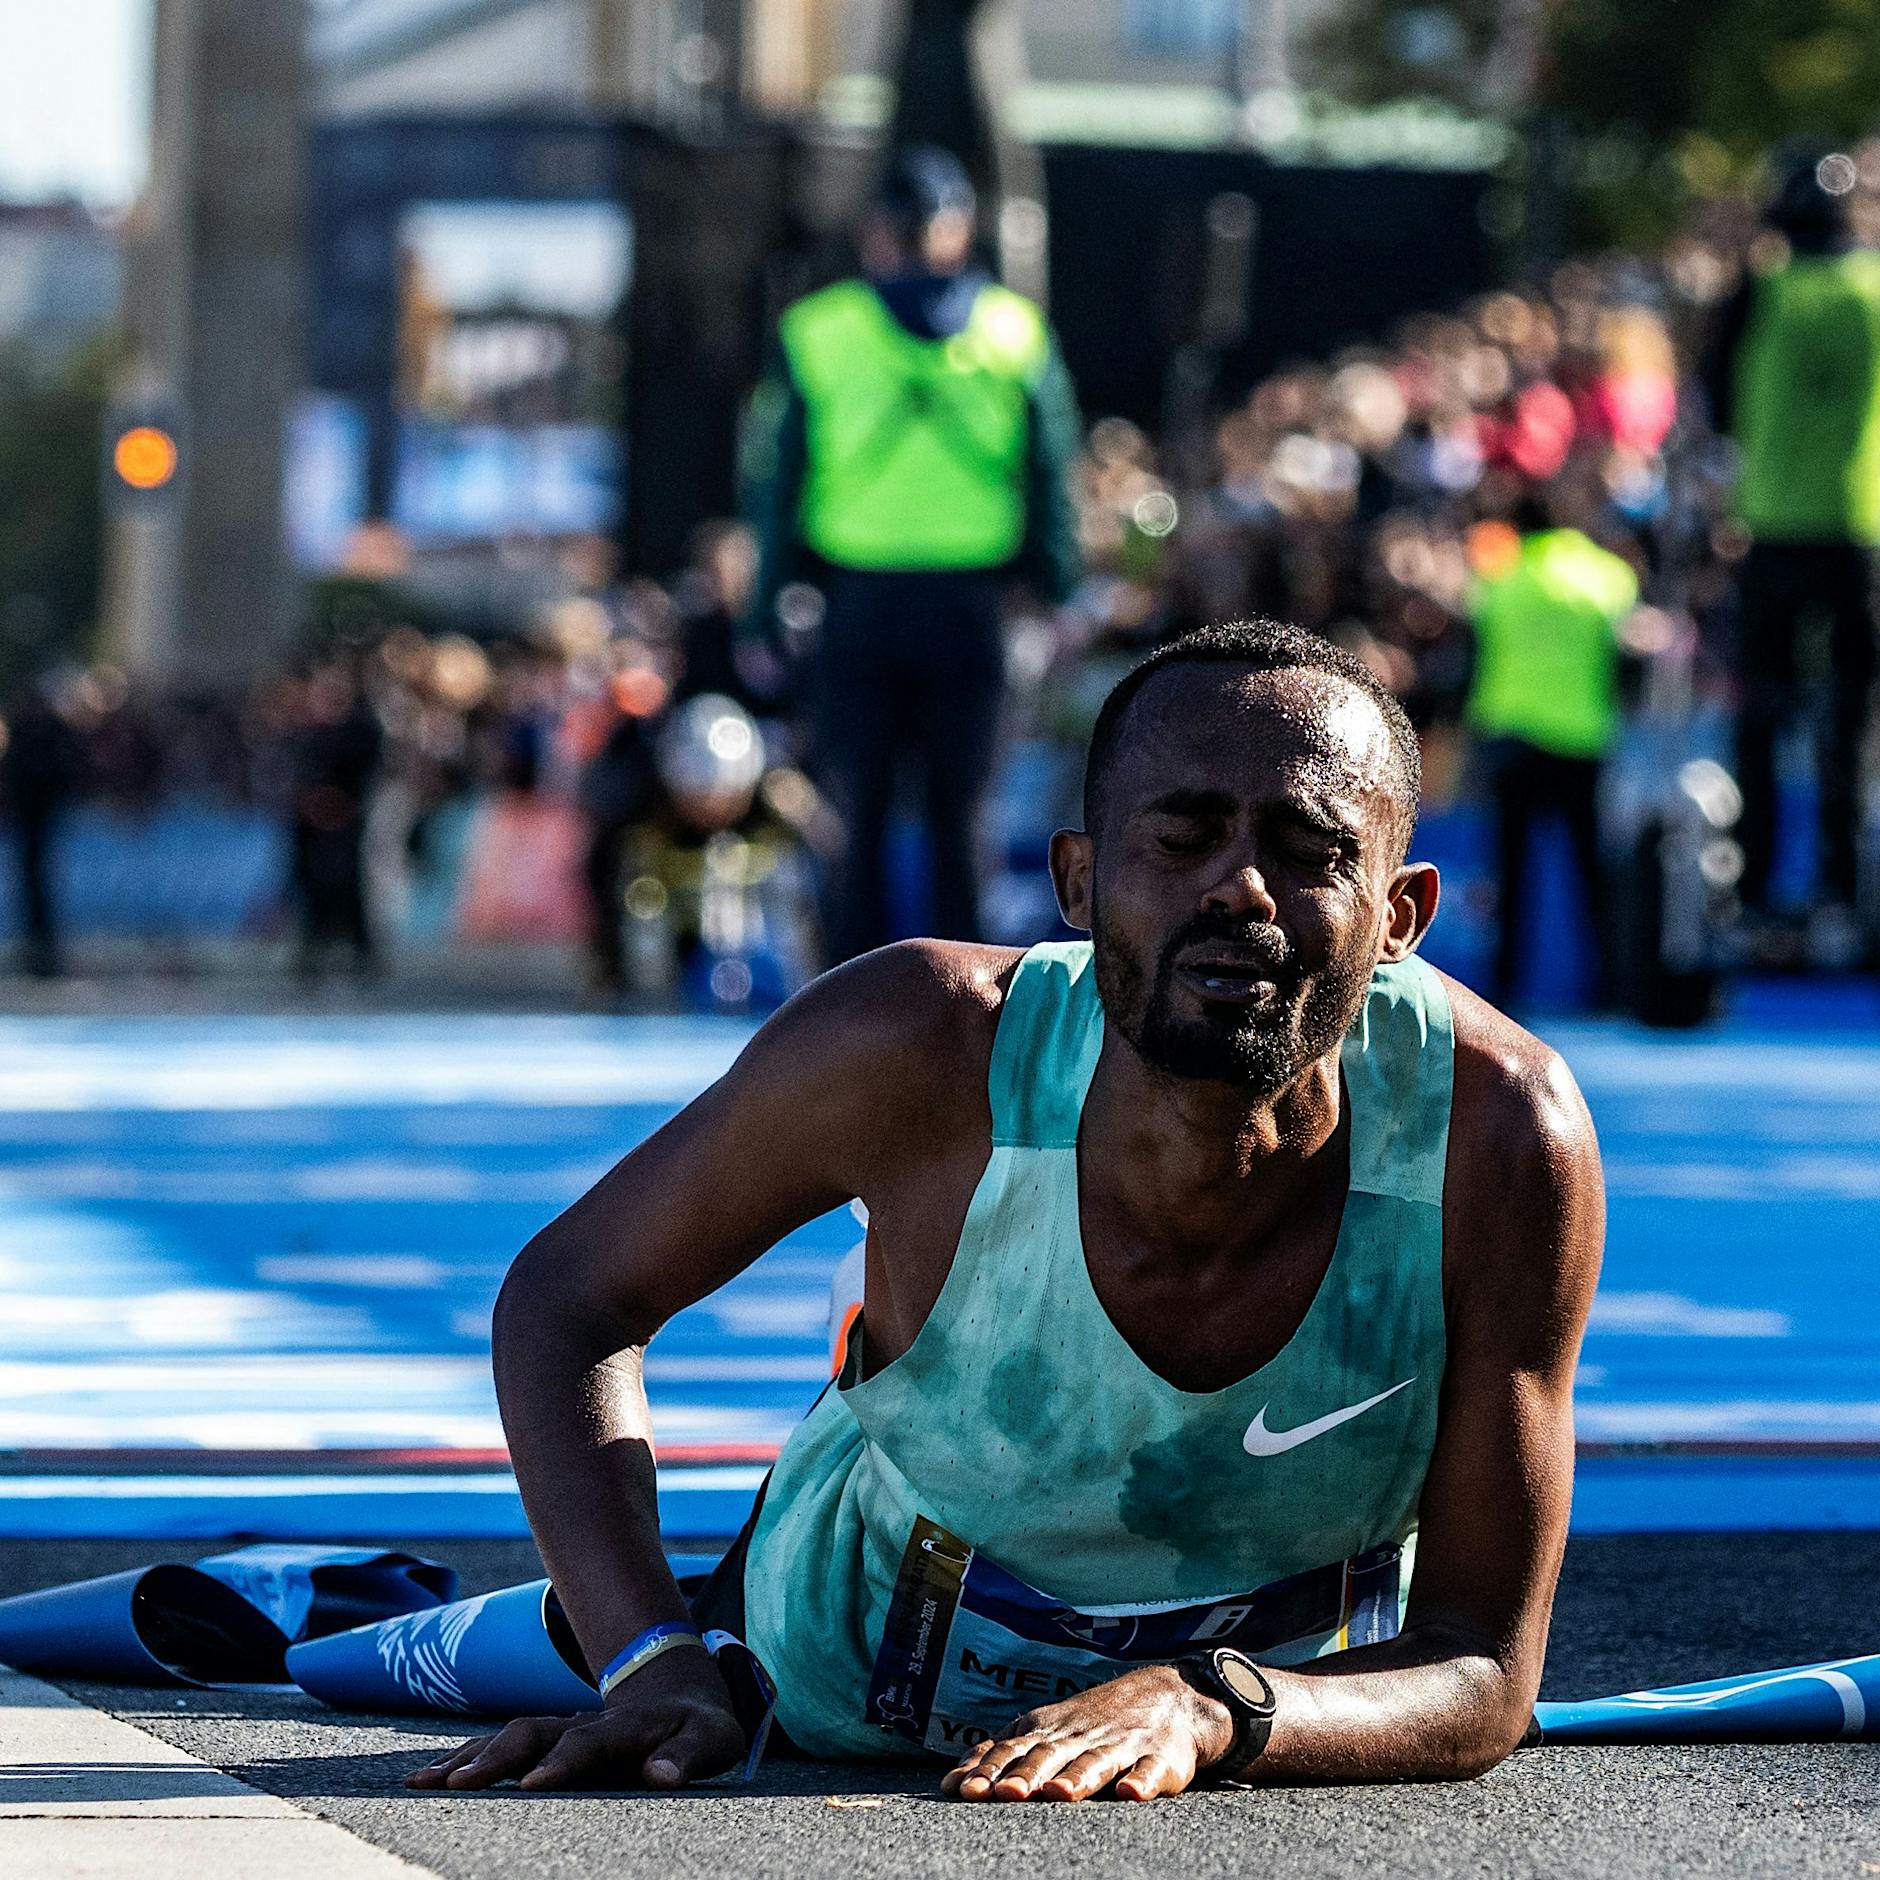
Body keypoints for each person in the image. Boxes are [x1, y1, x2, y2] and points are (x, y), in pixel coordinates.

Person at [411, 618, 1603, 1800]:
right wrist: (651, 1661)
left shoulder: (1500, 1136)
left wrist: (1211, 1701)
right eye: (1180, 834)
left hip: (1218, 1741)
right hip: (802, 1686)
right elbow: (568, 1297)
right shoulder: (918, 1045)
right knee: (306, 1650)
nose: (1239, 885)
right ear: (1076, 879)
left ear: (1400, 914)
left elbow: (1483, 1670)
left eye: (1307, 849)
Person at [742, 144, 1082, 963]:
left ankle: (850, 1010)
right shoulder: (1014, 328)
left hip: (858, 607)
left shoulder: (820, 330)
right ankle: (966, 1012)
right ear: (959, 232)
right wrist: (1058, 587)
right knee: (961, 815)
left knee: (851, 817)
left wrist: (764, 610)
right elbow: (1050, 469)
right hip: (972, 611)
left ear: (875, 235)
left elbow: (776, 480)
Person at [1702, 147, 1880, 963]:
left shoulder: (1760, 291)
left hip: (1772, 528)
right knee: (1847, 723)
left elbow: (1716, 395)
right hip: (1861, 532)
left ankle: (1759, 886)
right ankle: (1841, 891)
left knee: (1763, 713)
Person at [1465, 482, 1641, 1009]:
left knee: (1512, 872)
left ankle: (1504, 989)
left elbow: (1480, 647)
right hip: (1581, 740)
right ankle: (1609, 986)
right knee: (1591, 872)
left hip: (1512, 738)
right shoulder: (1609, 577)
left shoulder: (1502, 578)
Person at [1, 679, 82, 979]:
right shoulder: (22, 733)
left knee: (44, 884)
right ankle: (36, 946)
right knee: (30, 883)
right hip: (27, 825)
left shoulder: (54, 734)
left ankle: (46, 948)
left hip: (49, 822)